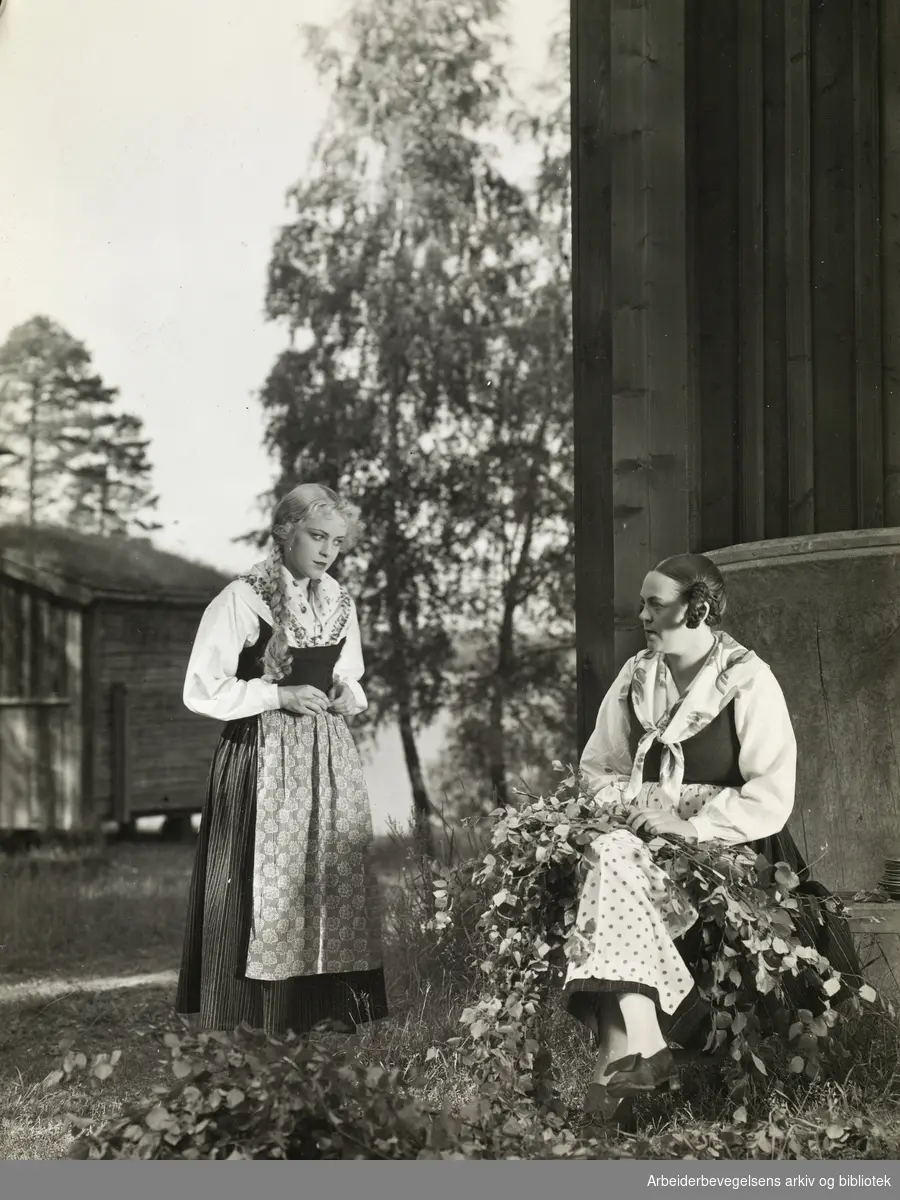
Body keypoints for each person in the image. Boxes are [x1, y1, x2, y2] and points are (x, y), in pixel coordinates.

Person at [564, 553, 861, 1126]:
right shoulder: (636, 677)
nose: (642, 615)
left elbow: (771, 794)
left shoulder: (747, 678)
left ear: (697, 609)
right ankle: (642, 1048)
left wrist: (691, 823)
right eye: (641, 604)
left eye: (655, 604)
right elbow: (598, 768)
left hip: (732, 846)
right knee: (612, 849)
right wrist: (633, 808)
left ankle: (627, 1057)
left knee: (609, 861)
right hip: (647, 836)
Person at [174, 483, 388, 1040]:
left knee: (324, 879)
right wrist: (276, 696)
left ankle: (318, 1015)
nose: (327, 552)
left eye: (337, 542)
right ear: (285, 532)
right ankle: (250, 1021)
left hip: (325, 759)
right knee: (260, 889)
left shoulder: (339, 599)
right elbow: (201, 689)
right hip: (261, 759)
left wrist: (347, 696)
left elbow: (352, 673)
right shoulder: (243, 599)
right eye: (317, 537)